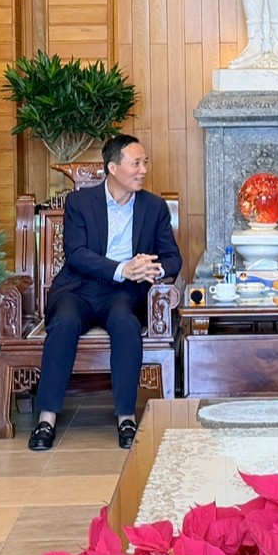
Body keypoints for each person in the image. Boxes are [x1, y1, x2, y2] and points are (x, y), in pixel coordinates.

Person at [29, 133, 182, 453]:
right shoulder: (80, 203)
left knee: (126, 324)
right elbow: (77, 254)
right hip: (79, 287)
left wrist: (148, 269)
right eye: (136, 164)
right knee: (64, 322)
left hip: (125, 293)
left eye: (145, 163)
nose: (143, 170)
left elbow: (173, 258)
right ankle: (46, 419)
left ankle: (126, 418)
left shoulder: (154, 207)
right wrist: (122, 268)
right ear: (113, 168)